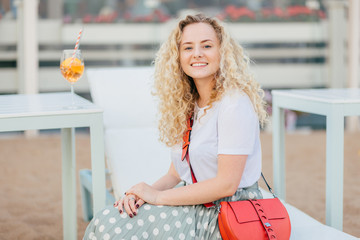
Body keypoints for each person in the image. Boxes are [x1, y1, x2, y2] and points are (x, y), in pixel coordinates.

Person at [84, 13, 267, 240]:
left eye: (207, 45)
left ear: (223, 52)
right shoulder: (189, 105)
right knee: (107, 219)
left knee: (114, 229)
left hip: (227, 213)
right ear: (178, 56)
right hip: (198, 204)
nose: (197, 53)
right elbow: (174, 174)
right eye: (188, 47)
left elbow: (226, 185)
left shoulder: (233, 104)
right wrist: (142, 193)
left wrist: (157, 198)